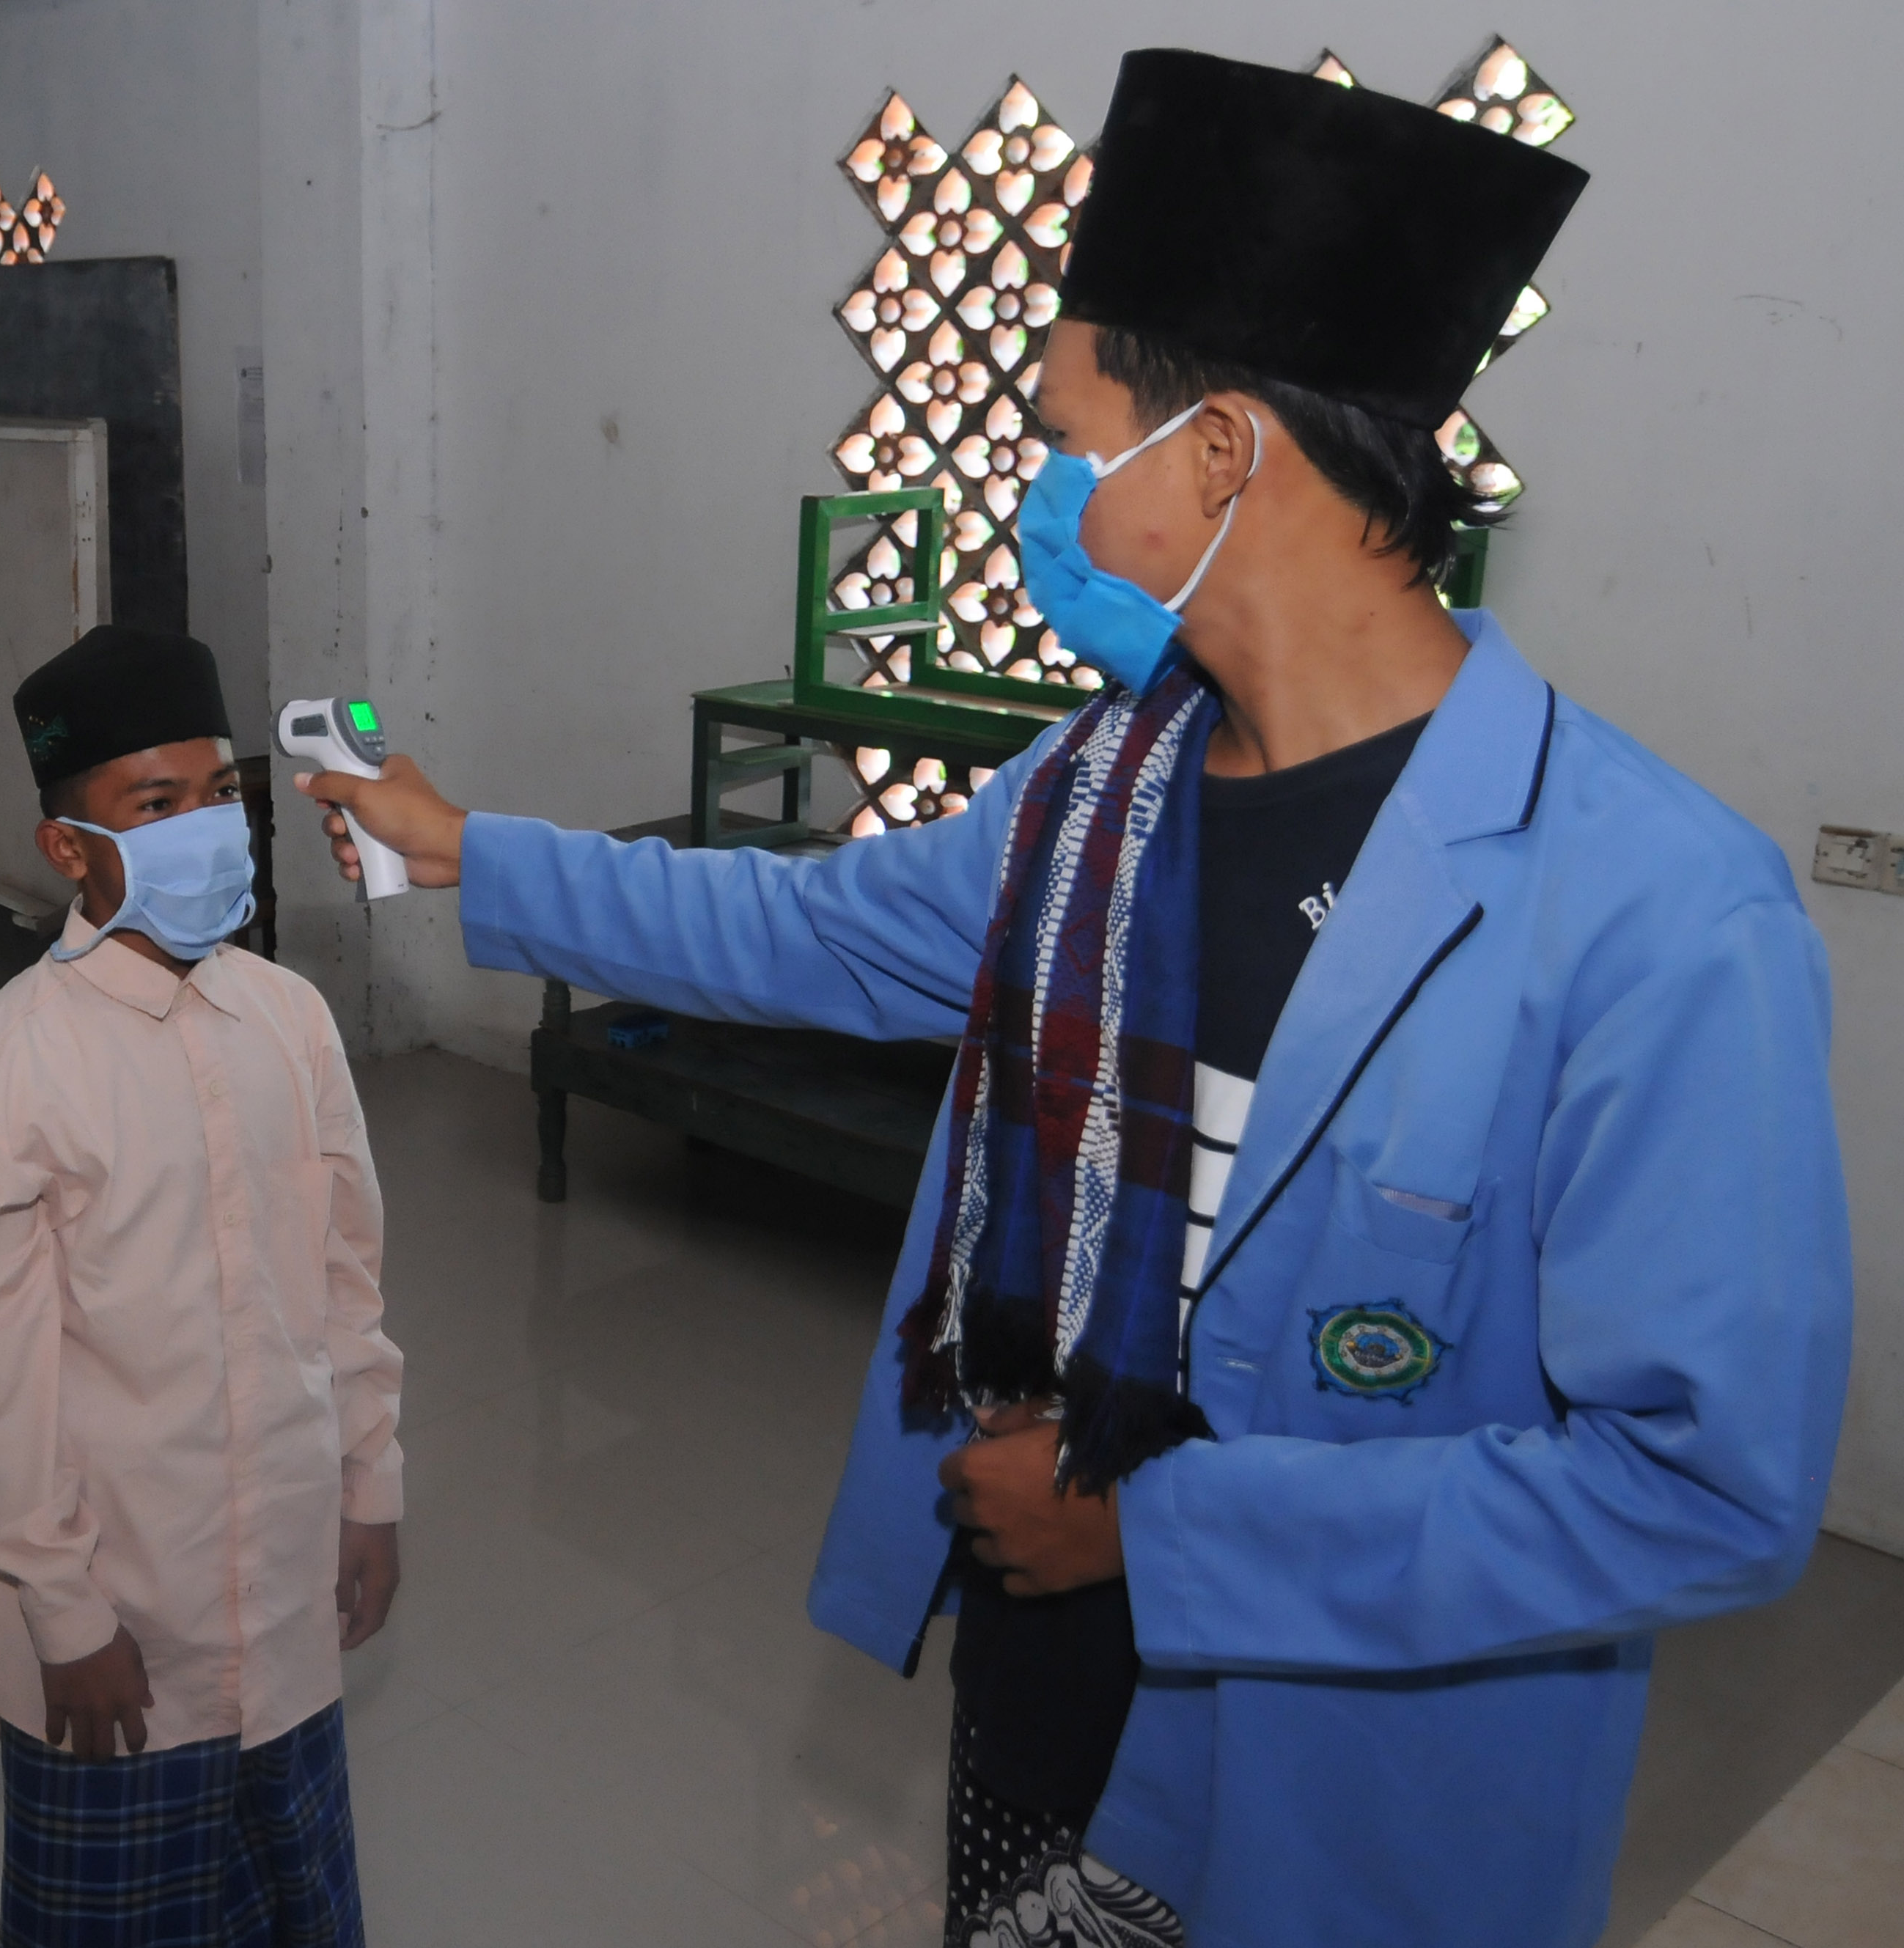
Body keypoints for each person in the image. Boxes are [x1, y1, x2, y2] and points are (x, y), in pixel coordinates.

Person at [295, 49, 1850, 1948]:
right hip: (1043, 1665)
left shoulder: (1652, 911)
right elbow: (821, 933)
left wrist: (1150, 1528)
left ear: (1220, 456)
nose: (1041, 488)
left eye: (1065, 431)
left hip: (1343, 1770)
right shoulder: (1101, 788)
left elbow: (1700, 1489)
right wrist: (465, 850)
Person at [0, 625, 403, 1948]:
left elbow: (345, 1281)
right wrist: (65, 1614)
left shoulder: (290, 1020)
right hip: (123, 1622)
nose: (207, 827)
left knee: (295, 1910)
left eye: (221, 791)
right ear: (70, 848)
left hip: (282, 1592)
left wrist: (371, 1481)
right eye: (155, 804)